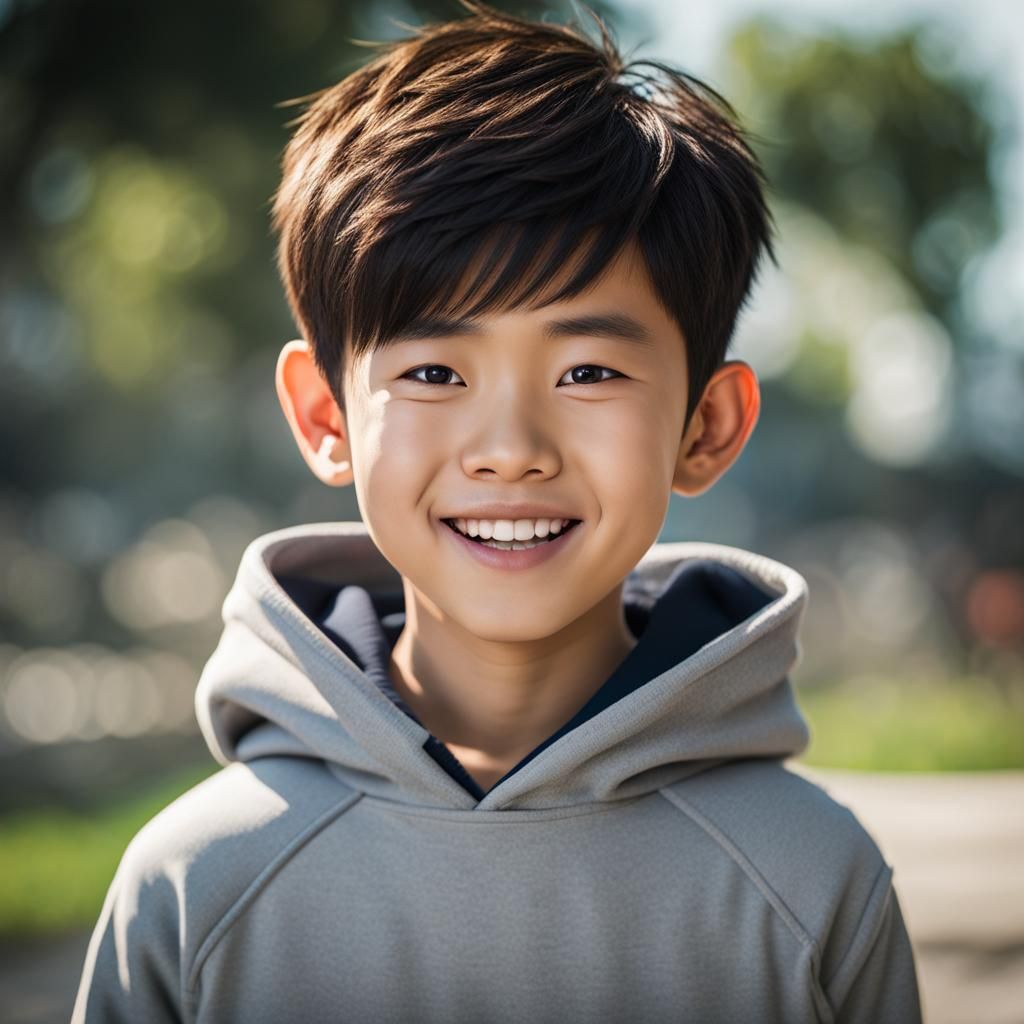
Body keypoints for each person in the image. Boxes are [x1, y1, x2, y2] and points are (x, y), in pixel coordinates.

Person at [72, 1, 923, 1020]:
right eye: (435, 369)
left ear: (705, 424)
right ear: (323, 414)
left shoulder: (811, 883)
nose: (511, 449)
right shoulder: (193, 886)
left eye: (588, 369)